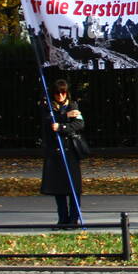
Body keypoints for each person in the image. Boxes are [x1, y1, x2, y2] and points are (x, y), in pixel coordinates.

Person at [40, 79, 84, 227]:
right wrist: (64, 119)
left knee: (74, 187)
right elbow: (49, 123)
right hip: (55, 152)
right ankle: (62, 218)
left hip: (70, 150)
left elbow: (79, 123)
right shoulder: (48, 107)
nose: (60, 95)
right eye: (57, 93)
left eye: (63, 92)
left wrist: (62, 126)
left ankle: (74, 218)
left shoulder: (72, 105)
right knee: (58, 188)